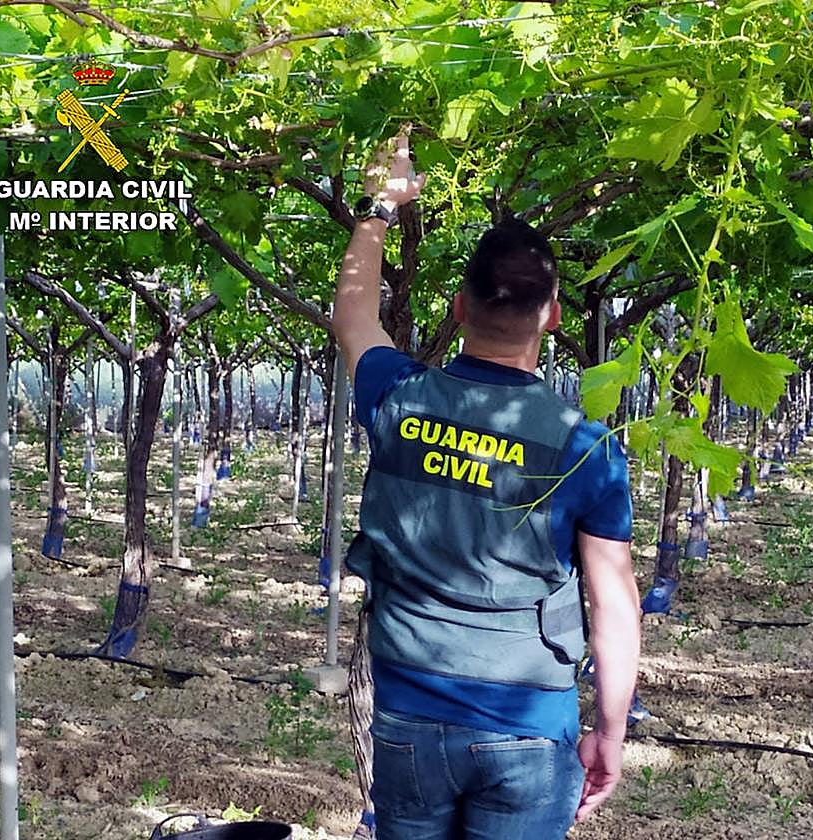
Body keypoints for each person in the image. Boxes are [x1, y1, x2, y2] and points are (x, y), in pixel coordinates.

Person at [332, 129, 641, 840]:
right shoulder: (585, 449)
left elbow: (353, 315)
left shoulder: (399, 397)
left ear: (459, 308)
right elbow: (613, 602)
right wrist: (610, 730)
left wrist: (381, 205)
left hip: (410, 715)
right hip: (528, 724)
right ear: (553, 318)